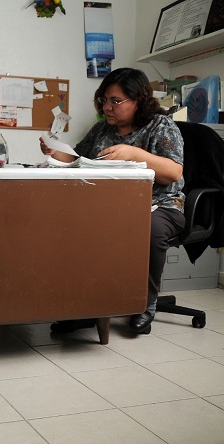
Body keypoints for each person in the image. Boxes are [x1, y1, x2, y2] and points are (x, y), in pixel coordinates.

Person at [39, 67, 185, 334]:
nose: (107, 106)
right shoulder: (101, 130)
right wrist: (56, 154)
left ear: (139, 100)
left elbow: (174, 171)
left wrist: (133, 153)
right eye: (104, 100)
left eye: (115, 101)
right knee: (69, 225)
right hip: (107, 206)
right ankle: (88, 308)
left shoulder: (160, 126)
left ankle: (145, 304)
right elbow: (80, 160)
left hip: (159, 205)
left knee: (150, 230)